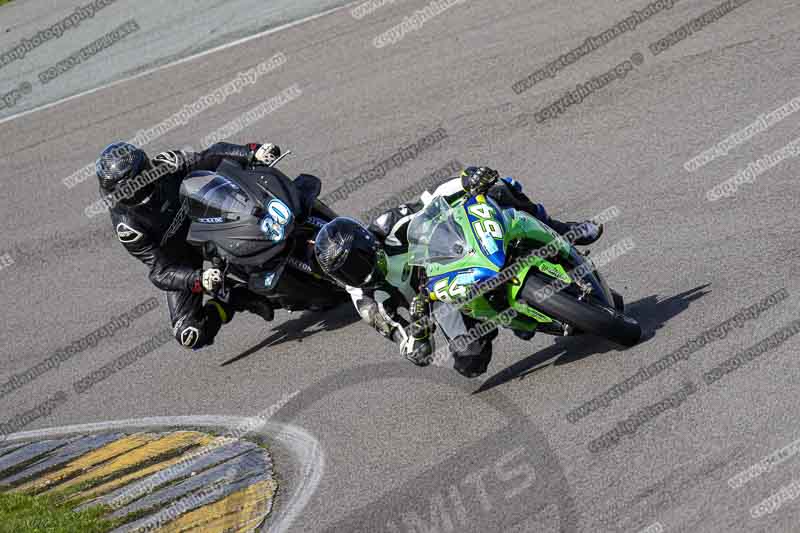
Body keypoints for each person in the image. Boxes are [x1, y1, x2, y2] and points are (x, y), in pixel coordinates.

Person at [314, 166, 603, 377]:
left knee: (500, 189)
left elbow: (432, 200)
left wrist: (467, 180)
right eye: (348, 273)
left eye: (359, 262)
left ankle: (565, 230)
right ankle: (514, 316)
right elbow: (413, 349)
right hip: (440, 298)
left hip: (455, 250)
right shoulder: (366, 302)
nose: (358, 274)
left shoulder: (388, 225)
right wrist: (419, 327)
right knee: (469, 362)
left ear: (367, 242)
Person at [96, 141, 281, 350]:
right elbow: (160, 272)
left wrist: (251, 152)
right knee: (190, 334)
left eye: (141, 179)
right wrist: (199, 280)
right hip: (178, 258)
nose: (139, 189)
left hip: (205, 222)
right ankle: (232, 299)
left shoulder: (166, 165)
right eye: (131, 188)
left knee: (254, 249)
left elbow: (209, 156)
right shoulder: (128, 228)